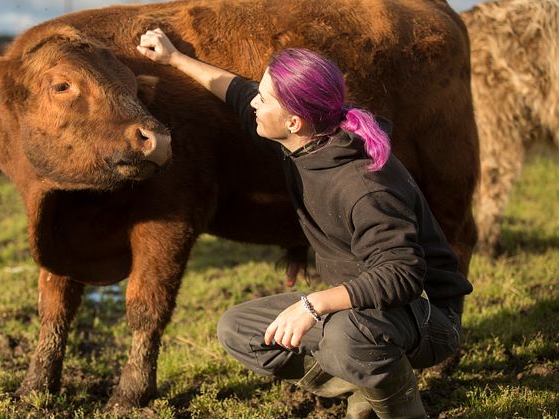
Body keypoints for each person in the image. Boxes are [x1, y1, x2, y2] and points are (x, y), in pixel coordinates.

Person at [137, 29, 472, 418]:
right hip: (364, 308)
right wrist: (173, 58)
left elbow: (402, 273)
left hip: (426, 314)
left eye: (265, 99)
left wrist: (313, 305)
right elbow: (238, 93)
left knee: (344, 341)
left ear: (294, 122)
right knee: (240, 329)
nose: (255, 104)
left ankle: (401, 408)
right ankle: (365, 385)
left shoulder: (364, 185)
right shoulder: (309, 139)